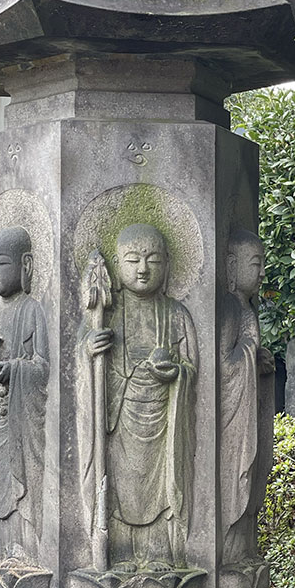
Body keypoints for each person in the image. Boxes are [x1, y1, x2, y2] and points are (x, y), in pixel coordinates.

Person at [79, 223, 197, 568]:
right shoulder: (107, 314)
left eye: (152, 260)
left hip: (162, 423)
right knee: (116, 489)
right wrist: (88, 351)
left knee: (161, 488)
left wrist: (177, 373)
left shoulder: (176, 315)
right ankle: (120, 554)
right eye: (133, 260)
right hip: (118, 419)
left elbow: (192, 366)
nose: (143, 269)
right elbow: (80, 367)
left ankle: (160, 554)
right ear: (117, 266)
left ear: (167, 265)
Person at [0, 225, 48, 562]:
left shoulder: (31, 310)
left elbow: (43, 366)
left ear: (26, 265)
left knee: (20, 483)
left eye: (1, 263)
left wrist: (15, 368)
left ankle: (21, 547)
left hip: (20, 418)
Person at [220, 229, 274, 564]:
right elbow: (225, 367)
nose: (262, 273)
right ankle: (230, 548)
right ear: (231, 266)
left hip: (246, 412)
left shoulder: (245, 310)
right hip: (231, 420)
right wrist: (252, 352)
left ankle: (241, 549)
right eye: (256, 264)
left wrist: (259, 361)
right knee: (235, 481)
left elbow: (242, 357)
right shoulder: (229, 310)